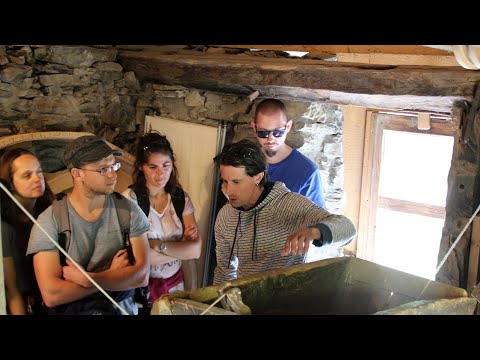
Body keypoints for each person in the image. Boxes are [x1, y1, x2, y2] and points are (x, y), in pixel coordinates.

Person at [26, 135, 151, 315]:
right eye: (103, 169)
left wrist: (89, 279)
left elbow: (141, 276)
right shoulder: (51, 220)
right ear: (77, 174)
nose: (113, 174)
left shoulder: (128, 210)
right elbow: (52, 294)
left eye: (114, 166)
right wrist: (110, 277)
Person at [212, 139, 356, 285]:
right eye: (224, 181)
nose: (228, 190)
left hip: (288, 299)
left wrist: (315, 232)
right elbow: (224, 272)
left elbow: (348, 229)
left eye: (236, 182)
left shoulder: (289, 205)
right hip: (246, 301)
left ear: (258, 177)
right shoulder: (226, 215)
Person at [123, 131, 201, 307]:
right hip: (141, 292)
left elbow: (195, 251)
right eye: (153, 167)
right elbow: (138, 258)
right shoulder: (131, 201)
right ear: (142, 167)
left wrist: (156, 246)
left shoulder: (180, 199)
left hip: (176, 287)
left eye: (166, 165)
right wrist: (181, 247)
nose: (161, 174)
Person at [0, 148, 54, 314]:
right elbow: (11, 290)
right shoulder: (4, 226)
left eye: (39, 172)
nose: (37, 179)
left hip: (53, 300)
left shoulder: (53, 213)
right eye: (27, 175)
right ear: (9, 183)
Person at [250, 98, 325, 208]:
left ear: (288, 127)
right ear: (254, 127)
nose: (270, 139)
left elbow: (319, 219)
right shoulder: (244, 162)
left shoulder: (307, 172)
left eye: (277, 132)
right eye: (263, 133)